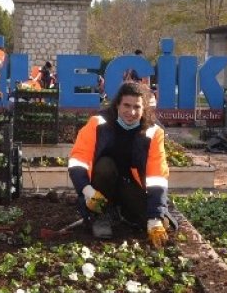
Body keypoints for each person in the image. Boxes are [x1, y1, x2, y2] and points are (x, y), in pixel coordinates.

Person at [68, 81, 172, 246]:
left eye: (137, 107)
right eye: (126, 105)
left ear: (144, 108)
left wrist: (155, 217)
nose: (131, 112)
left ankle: (122, 213)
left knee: (161, 224)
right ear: (117, 105)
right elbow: (77, 161)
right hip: (100, 189)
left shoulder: (153, 132)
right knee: (105, 166)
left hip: (129, 186)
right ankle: (99, 216)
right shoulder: (98, 123)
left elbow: (157, 176)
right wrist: (88, 191)